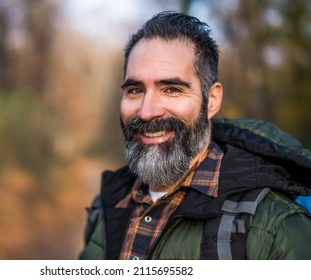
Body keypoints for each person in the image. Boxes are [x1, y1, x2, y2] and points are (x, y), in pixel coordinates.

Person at [79, 11, 311, 260]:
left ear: (211, 100)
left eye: (172, 89)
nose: (147, 112)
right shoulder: (107, 203)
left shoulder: (276, 228)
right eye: (135, 90)